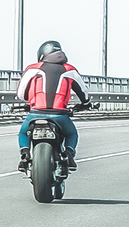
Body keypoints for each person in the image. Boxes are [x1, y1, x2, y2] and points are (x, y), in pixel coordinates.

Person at [15, 39, 94, 169]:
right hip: (59, 115)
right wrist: (86, 103)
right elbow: (84, 93)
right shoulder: (69, 70)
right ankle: (68, 154)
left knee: (23, 133)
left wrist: (30, 102)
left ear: (41, 55)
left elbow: (21, 94)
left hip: (35, 113)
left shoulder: (32, 69)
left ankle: (24, 154)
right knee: (71, 134)